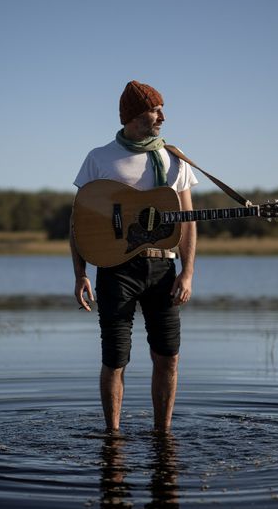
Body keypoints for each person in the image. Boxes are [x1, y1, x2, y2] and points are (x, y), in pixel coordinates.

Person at [70, 80, 198, 432]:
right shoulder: (99, 159)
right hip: (114, 269)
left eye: (160, 110)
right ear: (133, 115)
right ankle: (113, 438)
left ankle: (163, 434)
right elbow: (78, 223)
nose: (162, 117)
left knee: (168, 357)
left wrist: (187, 273)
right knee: (114, 360)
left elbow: (188, 222)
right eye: (155, 110)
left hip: (163, 268)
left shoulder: (174, 159)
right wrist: (80, 273)